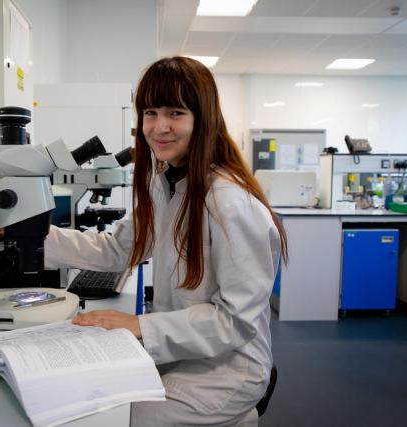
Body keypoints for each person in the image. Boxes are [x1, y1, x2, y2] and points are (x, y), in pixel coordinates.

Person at [44, 56, 288, 426]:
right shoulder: (165, 182)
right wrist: (35, 236)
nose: (159, 127)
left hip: (226, 372)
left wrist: (141, 326)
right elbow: (118, 249)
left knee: (116, 417)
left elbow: (235, 321)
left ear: (202, 119)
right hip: (182, 353)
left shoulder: (231, 203)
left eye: (175, 113)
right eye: (150, 112)